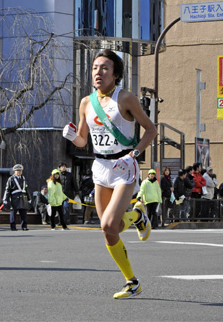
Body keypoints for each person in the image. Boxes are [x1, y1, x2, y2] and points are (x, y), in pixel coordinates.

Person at [62, 49, 157, 299]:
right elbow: (84, 141)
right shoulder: (86, 102)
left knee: (108, 223)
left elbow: (150, 130)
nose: (98, 72)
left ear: (116, 74)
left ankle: (137, 215)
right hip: (100, 167)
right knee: (108, 231)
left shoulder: (125, 98)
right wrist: (73, 136)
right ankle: (132, 280)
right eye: (95, 68)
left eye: (104, 68)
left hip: (124, 166)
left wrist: (134, 155)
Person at [3, 164, 30, 231]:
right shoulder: (11, 179)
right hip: (15, 198)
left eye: (20, 171)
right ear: (14, 171)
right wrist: (5, 198)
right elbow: (8, 189)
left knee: (23, 213)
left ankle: (24, 226)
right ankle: (13, 226)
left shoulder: (23, 178)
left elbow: (26, 189)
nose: (19, 172)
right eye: (17, 171)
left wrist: (29, 198)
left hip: (23, 197)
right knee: (13, 213)